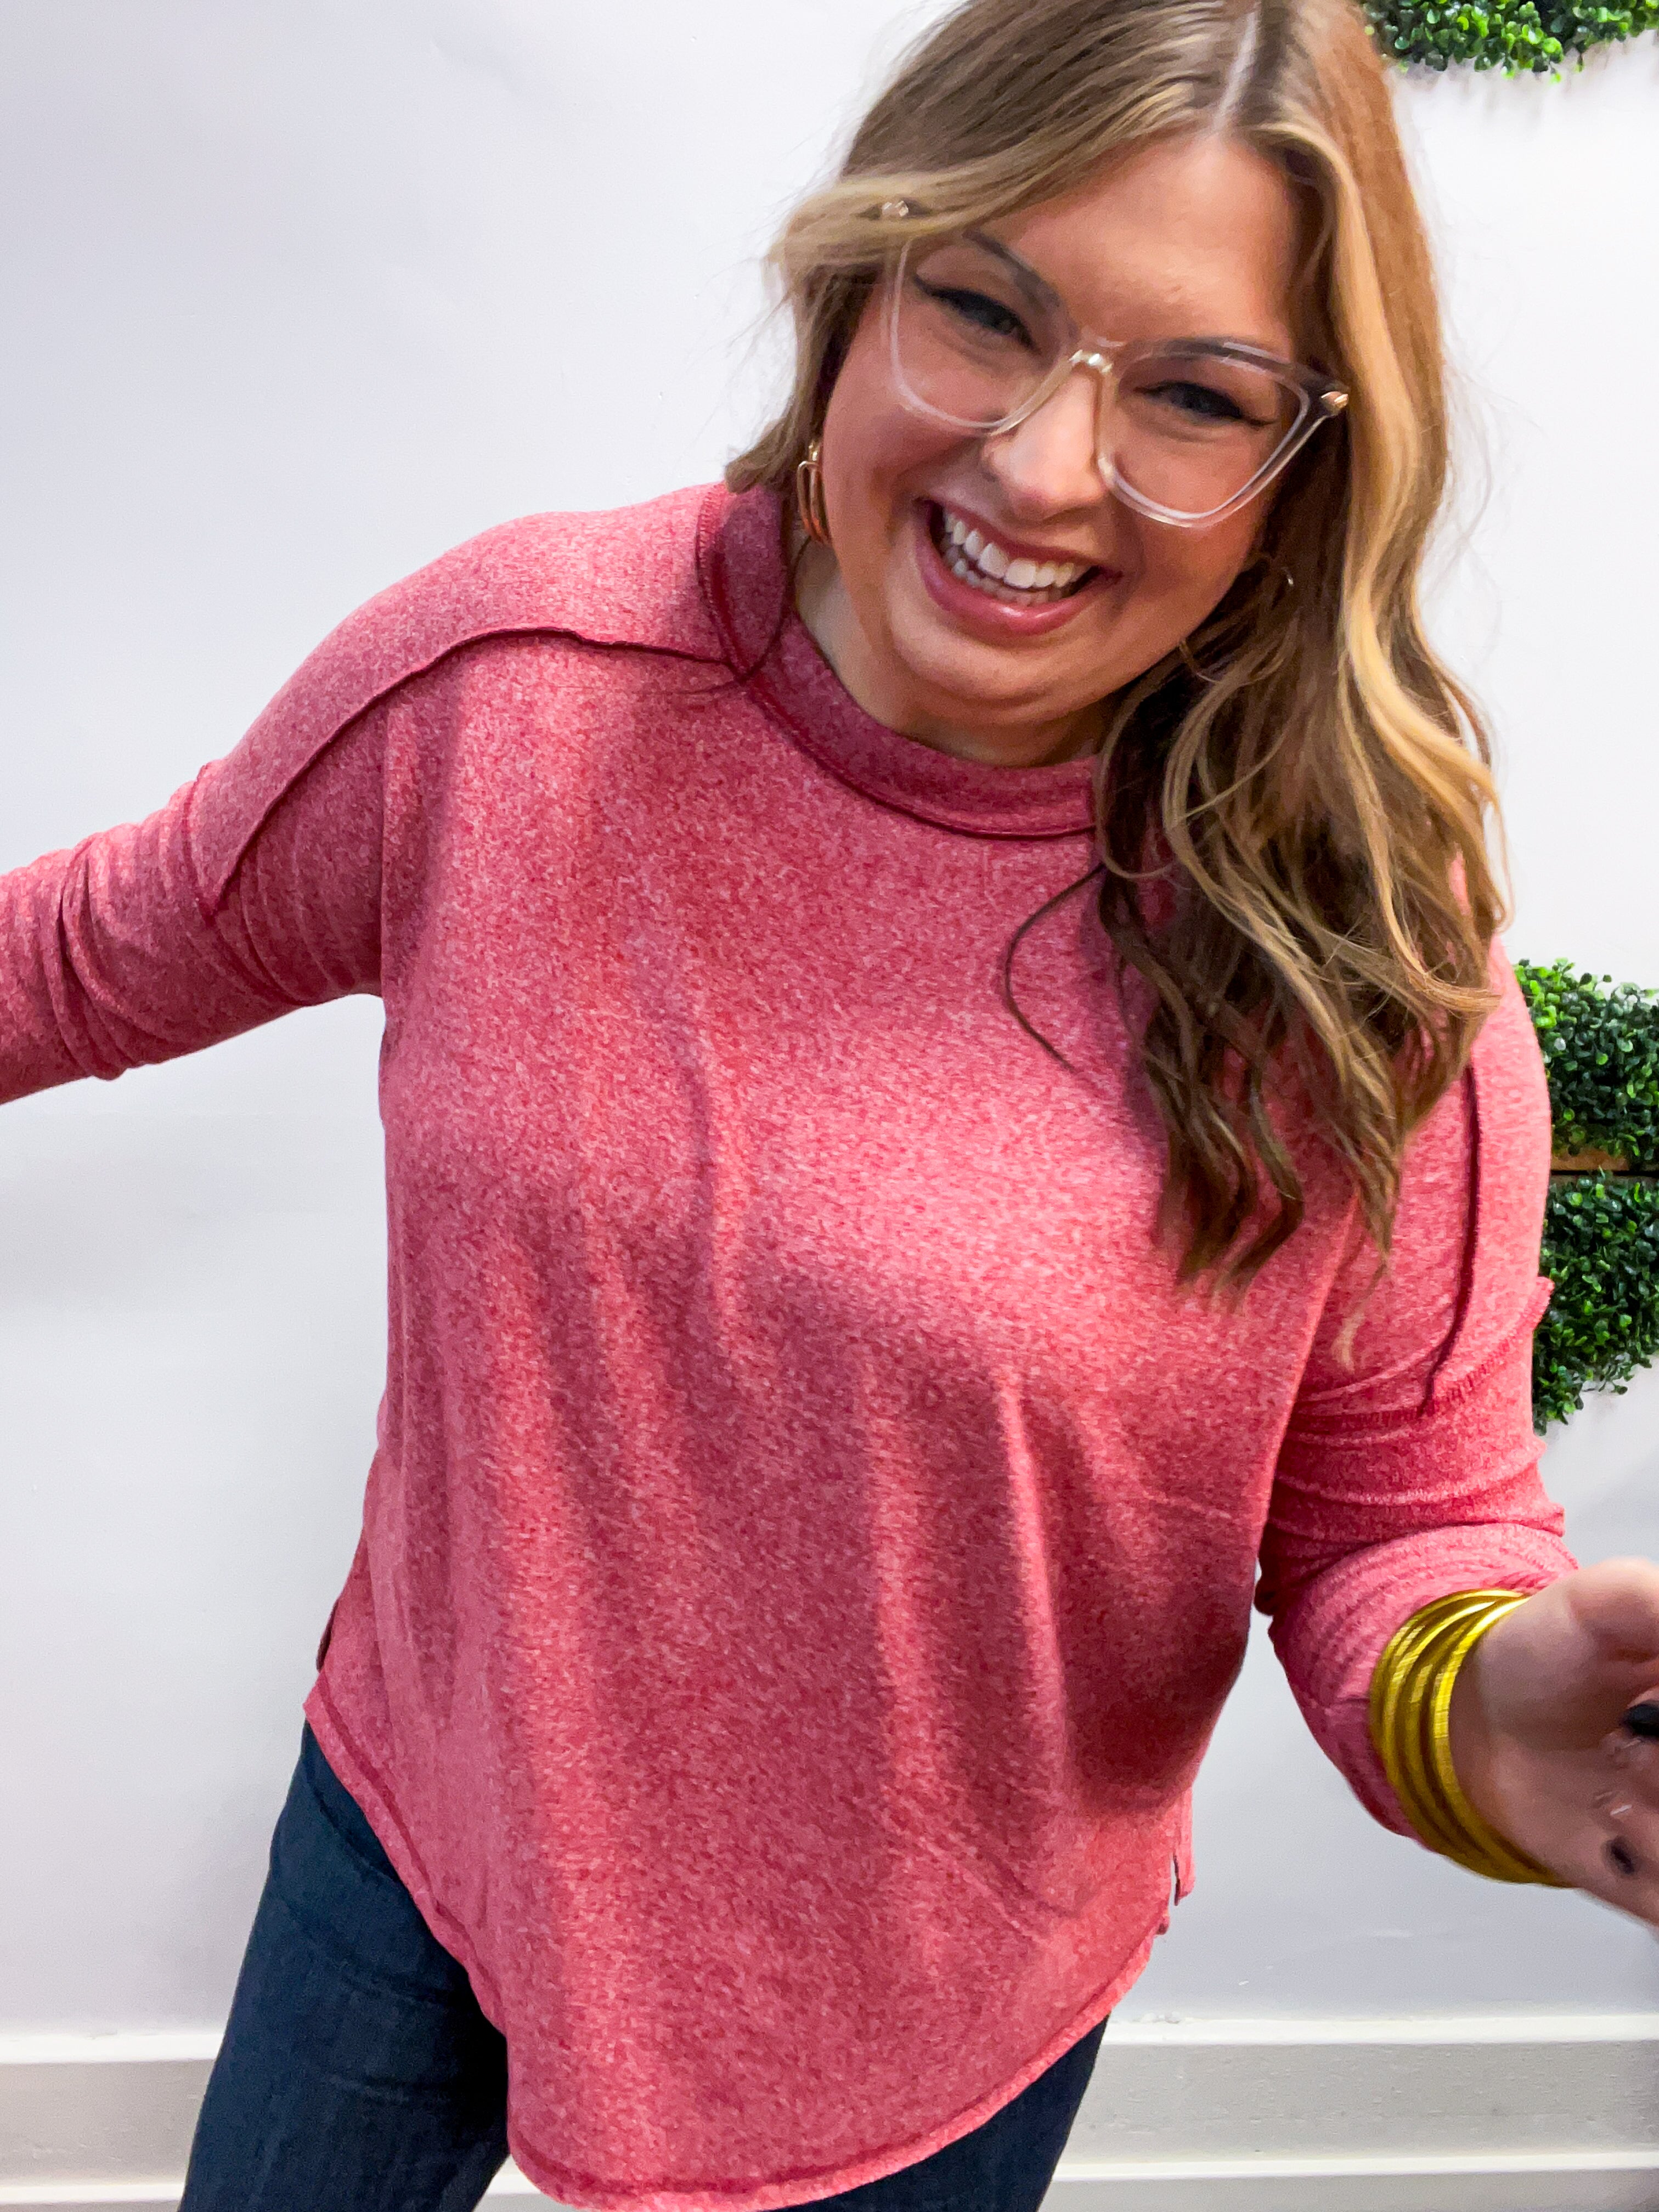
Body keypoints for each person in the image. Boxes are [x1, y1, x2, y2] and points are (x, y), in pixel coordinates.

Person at [6, 0, 1659, 2206]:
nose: (1051, 469)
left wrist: (1478, 1710)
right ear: (860, 285)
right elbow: (100, 948)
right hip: (424, 1823)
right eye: (987, 310)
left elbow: (1389, 1525)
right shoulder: (518, 689)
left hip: (915, 2012)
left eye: (1194, 396)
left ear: (1303, 472)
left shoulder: (1357, 933)